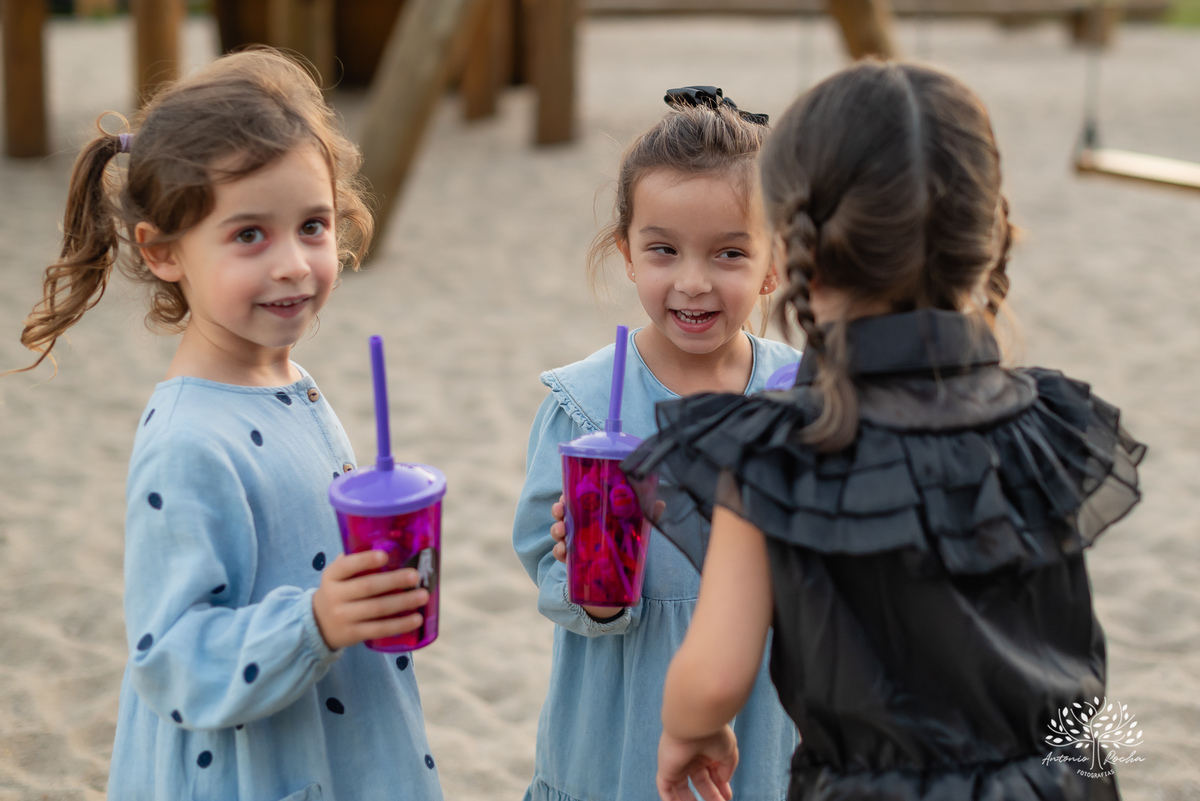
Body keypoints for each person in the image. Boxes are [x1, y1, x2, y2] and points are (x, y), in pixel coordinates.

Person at [622, 61, 1146, 801]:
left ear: (796, 247)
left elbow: (712, 676)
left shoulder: (777, 454)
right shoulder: (1045, 423)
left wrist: (689, 729)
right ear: (985, 237)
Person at [12, 50, 442, 801]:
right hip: (253, 768)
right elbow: (170, 655)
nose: (294, 265)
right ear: (163, 250)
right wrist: (315, 618)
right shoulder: (188, 441)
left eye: (313, 226)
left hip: (337, 734)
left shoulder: (292, 383)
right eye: (249, 235)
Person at [512, 87, 800, 801]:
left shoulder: (799, 400)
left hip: (762, 727)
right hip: (619, 728)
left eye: (729, 253)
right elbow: (542, 558)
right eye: (664, 250)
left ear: (773, 265)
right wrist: (592, 587)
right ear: (628, 254)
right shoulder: (583, 408)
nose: (693, 281)